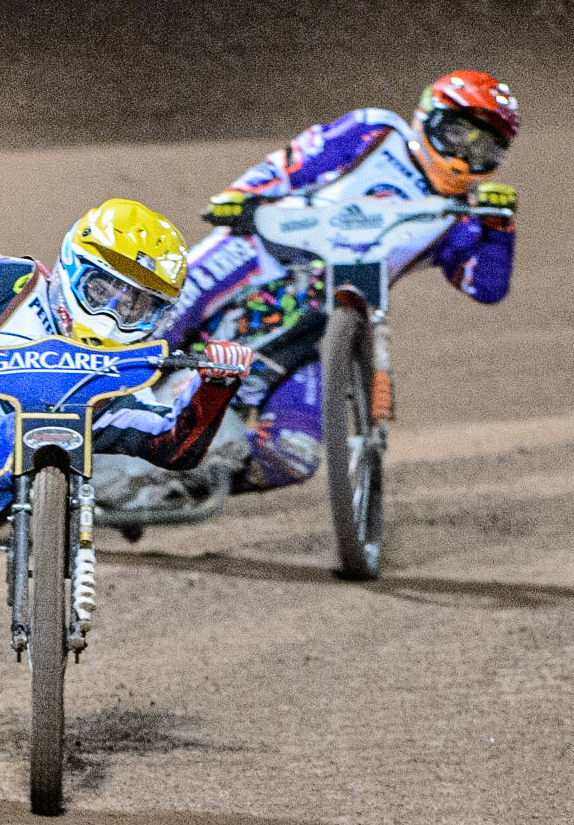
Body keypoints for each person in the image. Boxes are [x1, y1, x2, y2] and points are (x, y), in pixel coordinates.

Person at [0, 199, 254, 704]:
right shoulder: (6, 282)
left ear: (157, 315)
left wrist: (217, 386)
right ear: (74, 267)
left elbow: (173, 446)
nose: (113, 312)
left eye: (135, 305)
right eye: (103, 289)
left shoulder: (111, 388)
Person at [99, 70, 519, 506]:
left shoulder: (462, 217)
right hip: (259, 251)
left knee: (293, 455)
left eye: (484, 146)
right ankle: (74, 405)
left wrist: (499, 227)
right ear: (429, 118)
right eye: (459, 133)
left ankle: (165, 483)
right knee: (156, 318)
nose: (465, 154)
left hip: (315, 324)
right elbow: (296, 161)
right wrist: (243, 193)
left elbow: (485, 286)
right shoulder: (378, 132)